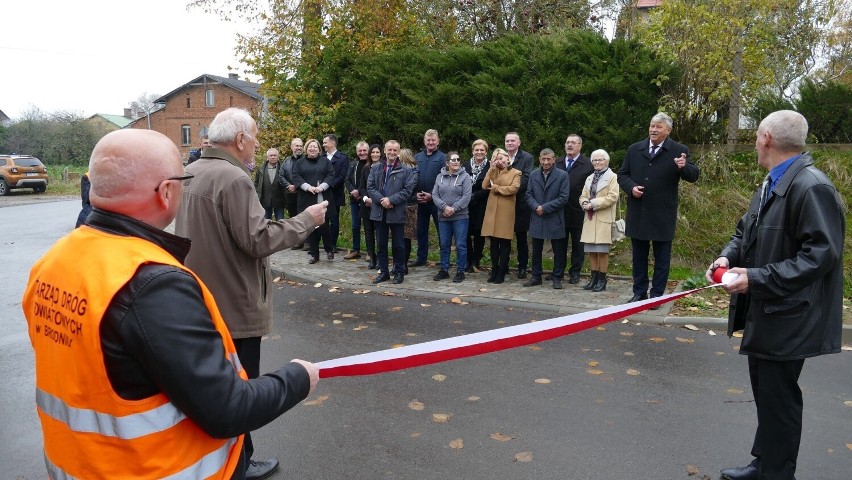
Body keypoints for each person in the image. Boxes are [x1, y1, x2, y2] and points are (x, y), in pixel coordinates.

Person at [23, 128, 320, 480]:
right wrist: (298, 377)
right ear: (166, 192)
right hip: (151, 469)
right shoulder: (152, 283)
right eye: (180, 179)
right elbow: (227, 409)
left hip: (76, 465)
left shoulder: (54, 260)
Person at [175, 108, 326, 480]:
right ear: (240, 139)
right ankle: (238, 466)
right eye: (255, 136)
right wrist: (308, 220)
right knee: (239, 393)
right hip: (235, 305)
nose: (257, 144)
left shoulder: (191, 172)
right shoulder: (234, 178)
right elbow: (258, 239)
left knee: (215, 390)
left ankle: (230, 459)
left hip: (202, 301)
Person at [706, 110, 845, 480]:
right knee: (768, 394)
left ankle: (777, 473)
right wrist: (727, 257)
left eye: (755, 136)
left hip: (790, 314)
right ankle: (764, 464)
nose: (754, 142)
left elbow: (821, 256)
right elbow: (744, 232)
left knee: (779, 398)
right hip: (769, 309)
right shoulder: (774, 182)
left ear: (766, 138)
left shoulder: (811, 186)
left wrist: (755, 278)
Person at [617, 112, 699, 306]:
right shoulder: (634, 149)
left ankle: (656, 296)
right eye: (652, 126)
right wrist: (631, 188)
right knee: (639, 256)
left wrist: (684, 166)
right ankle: (639, 293)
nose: (654, 129)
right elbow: (622, 175)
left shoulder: (679, 150)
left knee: (662, 258)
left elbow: (694, 175)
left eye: (659, 127)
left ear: (668, 131)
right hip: (639, 211)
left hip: (663, 213)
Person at [367, 140, 415, 284]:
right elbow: (370, 187)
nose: (392, 152)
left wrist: (391, 200)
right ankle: (384, 272)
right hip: (379, 211)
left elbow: (407, 191)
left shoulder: (406, 170)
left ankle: (399, 272)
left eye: (395, 150)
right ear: (385, 151)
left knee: (398, 245)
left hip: (397, 211)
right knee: (381, 244)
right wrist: (382, 200)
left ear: (399, 152)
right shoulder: (375, 168)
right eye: (390, 150)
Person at [524, 148, 570, 289]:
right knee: (536, 249)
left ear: (554, 159)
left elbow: (563, 198)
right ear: (539, 159)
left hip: (554, 216)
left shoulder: (562, 175)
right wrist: (536, 206)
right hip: (537, 216)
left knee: (558, 250)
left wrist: (545, 208)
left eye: (548, 159)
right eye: (543, 159)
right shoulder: (533, 174)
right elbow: (528, 194)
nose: (545, 162)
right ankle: (536, 276)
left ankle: (557, 277)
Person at [554, 134, 594, 284]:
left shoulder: (587, 164)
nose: (570, 145)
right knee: (559, 245)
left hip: (578, 211)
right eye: (567, 142)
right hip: (559, 211)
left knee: (578, 245)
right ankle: (558, 271)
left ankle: (575, 272)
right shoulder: (557, 162)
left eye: (573, 143)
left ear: (580, 146)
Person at [579, 149, 620, 292]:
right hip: (589, 219)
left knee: (602, 251)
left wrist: (594, 203)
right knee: (590, 250)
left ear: (607, 161)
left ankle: (602, 279)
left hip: (603, 218)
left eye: (600, 160)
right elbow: (583, 195)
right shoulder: (590, 178)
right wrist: (584, 203)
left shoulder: (612, 177)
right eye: (595, 160)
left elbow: (613, 197)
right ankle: (593, 278)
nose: (597, 162)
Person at [293, 139, 337, 263]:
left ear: (319, 149)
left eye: (315, 147)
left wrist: (322, 187)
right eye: (310, 147)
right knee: (312, 228)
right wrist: (308, 187)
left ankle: (329, 250)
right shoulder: (300, 163)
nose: (312, 149)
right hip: (307, 197)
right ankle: (314, 254)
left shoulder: (325, 162)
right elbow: (296, 176)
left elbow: (331, 175)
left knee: (324, 226)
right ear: (306, 149)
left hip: (323, 197)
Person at [481, 148, 521, 284]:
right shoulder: (493, 172)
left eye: (502, 158)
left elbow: (513, 189)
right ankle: (494, 269)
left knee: (504, 243)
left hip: (506, 211)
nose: (500, 161)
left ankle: (502, 271)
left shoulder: (516, 173)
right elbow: (484, 185)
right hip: (492, 211)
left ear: (508, 158)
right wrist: (491, 169)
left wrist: (496, 188)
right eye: (497, 159)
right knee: (493, 243)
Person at [431, 150, 472, 283]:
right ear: (447, 162)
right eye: (453, 160)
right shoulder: (439, 177)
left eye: (458, 159)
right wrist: (444, 207)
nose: (456, 162)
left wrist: (453, 208)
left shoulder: (465, 177)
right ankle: (444, 269)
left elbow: (466, 197)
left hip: (460, 217)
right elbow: (435, 195)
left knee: (460, 244)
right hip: (443, 216)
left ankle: (460, 271)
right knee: (444, 244)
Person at [412, 129, 446, 267]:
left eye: (433, 140)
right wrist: (416, 195)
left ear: (438, 141)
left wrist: (432, 195)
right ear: (424, 141)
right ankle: (421, 258)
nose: (430, 142)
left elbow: (444, 179)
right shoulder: (417, 157)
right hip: (420, 200)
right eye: (428, 140)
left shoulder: (443, 158)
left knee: (441, 231)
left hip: (437, 201)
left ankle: (444, 259)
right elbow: (412, 177)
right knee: (421, 231)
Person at [504, 131, 534, 279]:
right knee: (504, 236)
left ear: (519, 143)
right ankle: (504, 265)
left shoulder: (527, 158)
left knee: (521, 236)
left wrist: (510, 189)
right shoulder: (500, 157)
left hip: (520, 202)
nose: (509, 143)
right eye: (507, 141)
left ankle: (522, 266)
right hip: (504, 203)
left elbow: (527, 178)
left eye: (512, 141)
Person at [463, 139, 490, 273]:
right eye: (476, 150)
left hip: (482, 203)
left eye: (482, 150)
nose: (479, 152)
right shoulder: (465, 165)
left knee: (479, 233)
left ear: (486, 151)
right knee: (465, 233)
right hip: (466, 205)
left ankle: (476, 260)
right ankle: (468, 259)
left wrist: (475, 196)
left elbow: (489, 187)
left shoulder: (490, 166)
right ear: (472, 151)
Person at [323, 134, 349, 252]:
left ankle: (333, 244)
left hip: (335, 193)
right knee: (323, 220)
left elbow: (342, 176)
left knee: (334, 220)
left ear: (333, 143)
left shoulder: (343, 158)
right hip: (322, 193)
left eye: (325, 143)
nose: (323, 145)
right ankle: (325, 244)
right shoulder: (322, 157)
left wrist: (328, 185)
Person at [344, 141, 370, 259]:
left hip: (367, 200)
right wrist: (352, 191)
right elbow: (347, 180)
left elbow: (370, 183)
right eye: (360, 150)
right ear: (357, 152)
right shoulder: (353, 164)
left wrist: (360, 192)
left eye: (364, 150)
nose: (362, 153)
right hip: (354, 200)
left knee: (368, 227)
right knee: (355, 226)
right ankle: (356, 249)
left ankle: (370, 252)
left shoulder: (372, 165)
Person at [358, 144, 382, 269]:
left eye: (377, 152)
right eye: (373, 152)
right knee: (368, 233)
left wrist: (375, 199)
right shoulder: (365, 168)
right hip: (366, 205)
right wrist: (366, 198)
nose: (375, 155)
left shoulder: (384, 168)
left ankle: (380, 259)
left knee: (379, 233)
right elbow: (362, 186)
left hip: (378, 205)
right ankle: (372, 258)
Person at [399, 148, 420, 273]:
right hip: (398, 206)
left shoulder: (414, 172)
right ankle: (399, 263)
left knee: (406, 236)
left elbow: (409, 189)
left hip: (409, 206)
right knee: (398, 237)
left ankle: (404, 264)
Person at [255, 148, 287, 220]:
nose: (273, 157)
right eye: (271, 155)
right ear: (267, 157)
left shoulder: (283, 168)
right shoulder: (260, 169)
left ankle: (279, 232)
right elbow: (256, 183)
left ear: (278, 157)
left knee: (280, 222)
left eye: (275, 155)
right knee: (266, 222)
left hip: (279, 200)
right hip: (265, 200)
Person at [279, 137, 303, 222]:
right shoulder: (286, 161)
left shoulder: (306, 160)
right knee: (293, 219)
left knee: (303, 218)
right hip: (290, 196)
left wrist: (297, 186)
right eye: (297, 146)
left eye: (301, 146)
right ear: (292, 147)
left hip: (303, 194)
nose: (299, 148)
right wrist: (289, 186)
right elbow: (281, 176)